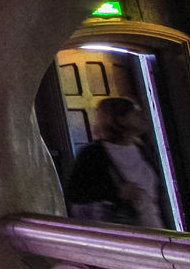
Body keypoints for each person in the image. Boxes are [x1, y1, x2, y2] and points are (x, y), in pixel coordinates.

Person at [65, 96, 165, 228]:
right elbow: (75, 193)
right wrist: (116, 191)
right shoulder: (94, 154)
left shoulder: (144, 149)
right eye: (135, 113)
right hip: (118, 229)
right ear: (120, 119)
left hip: (152, 226)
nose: (143, 116)